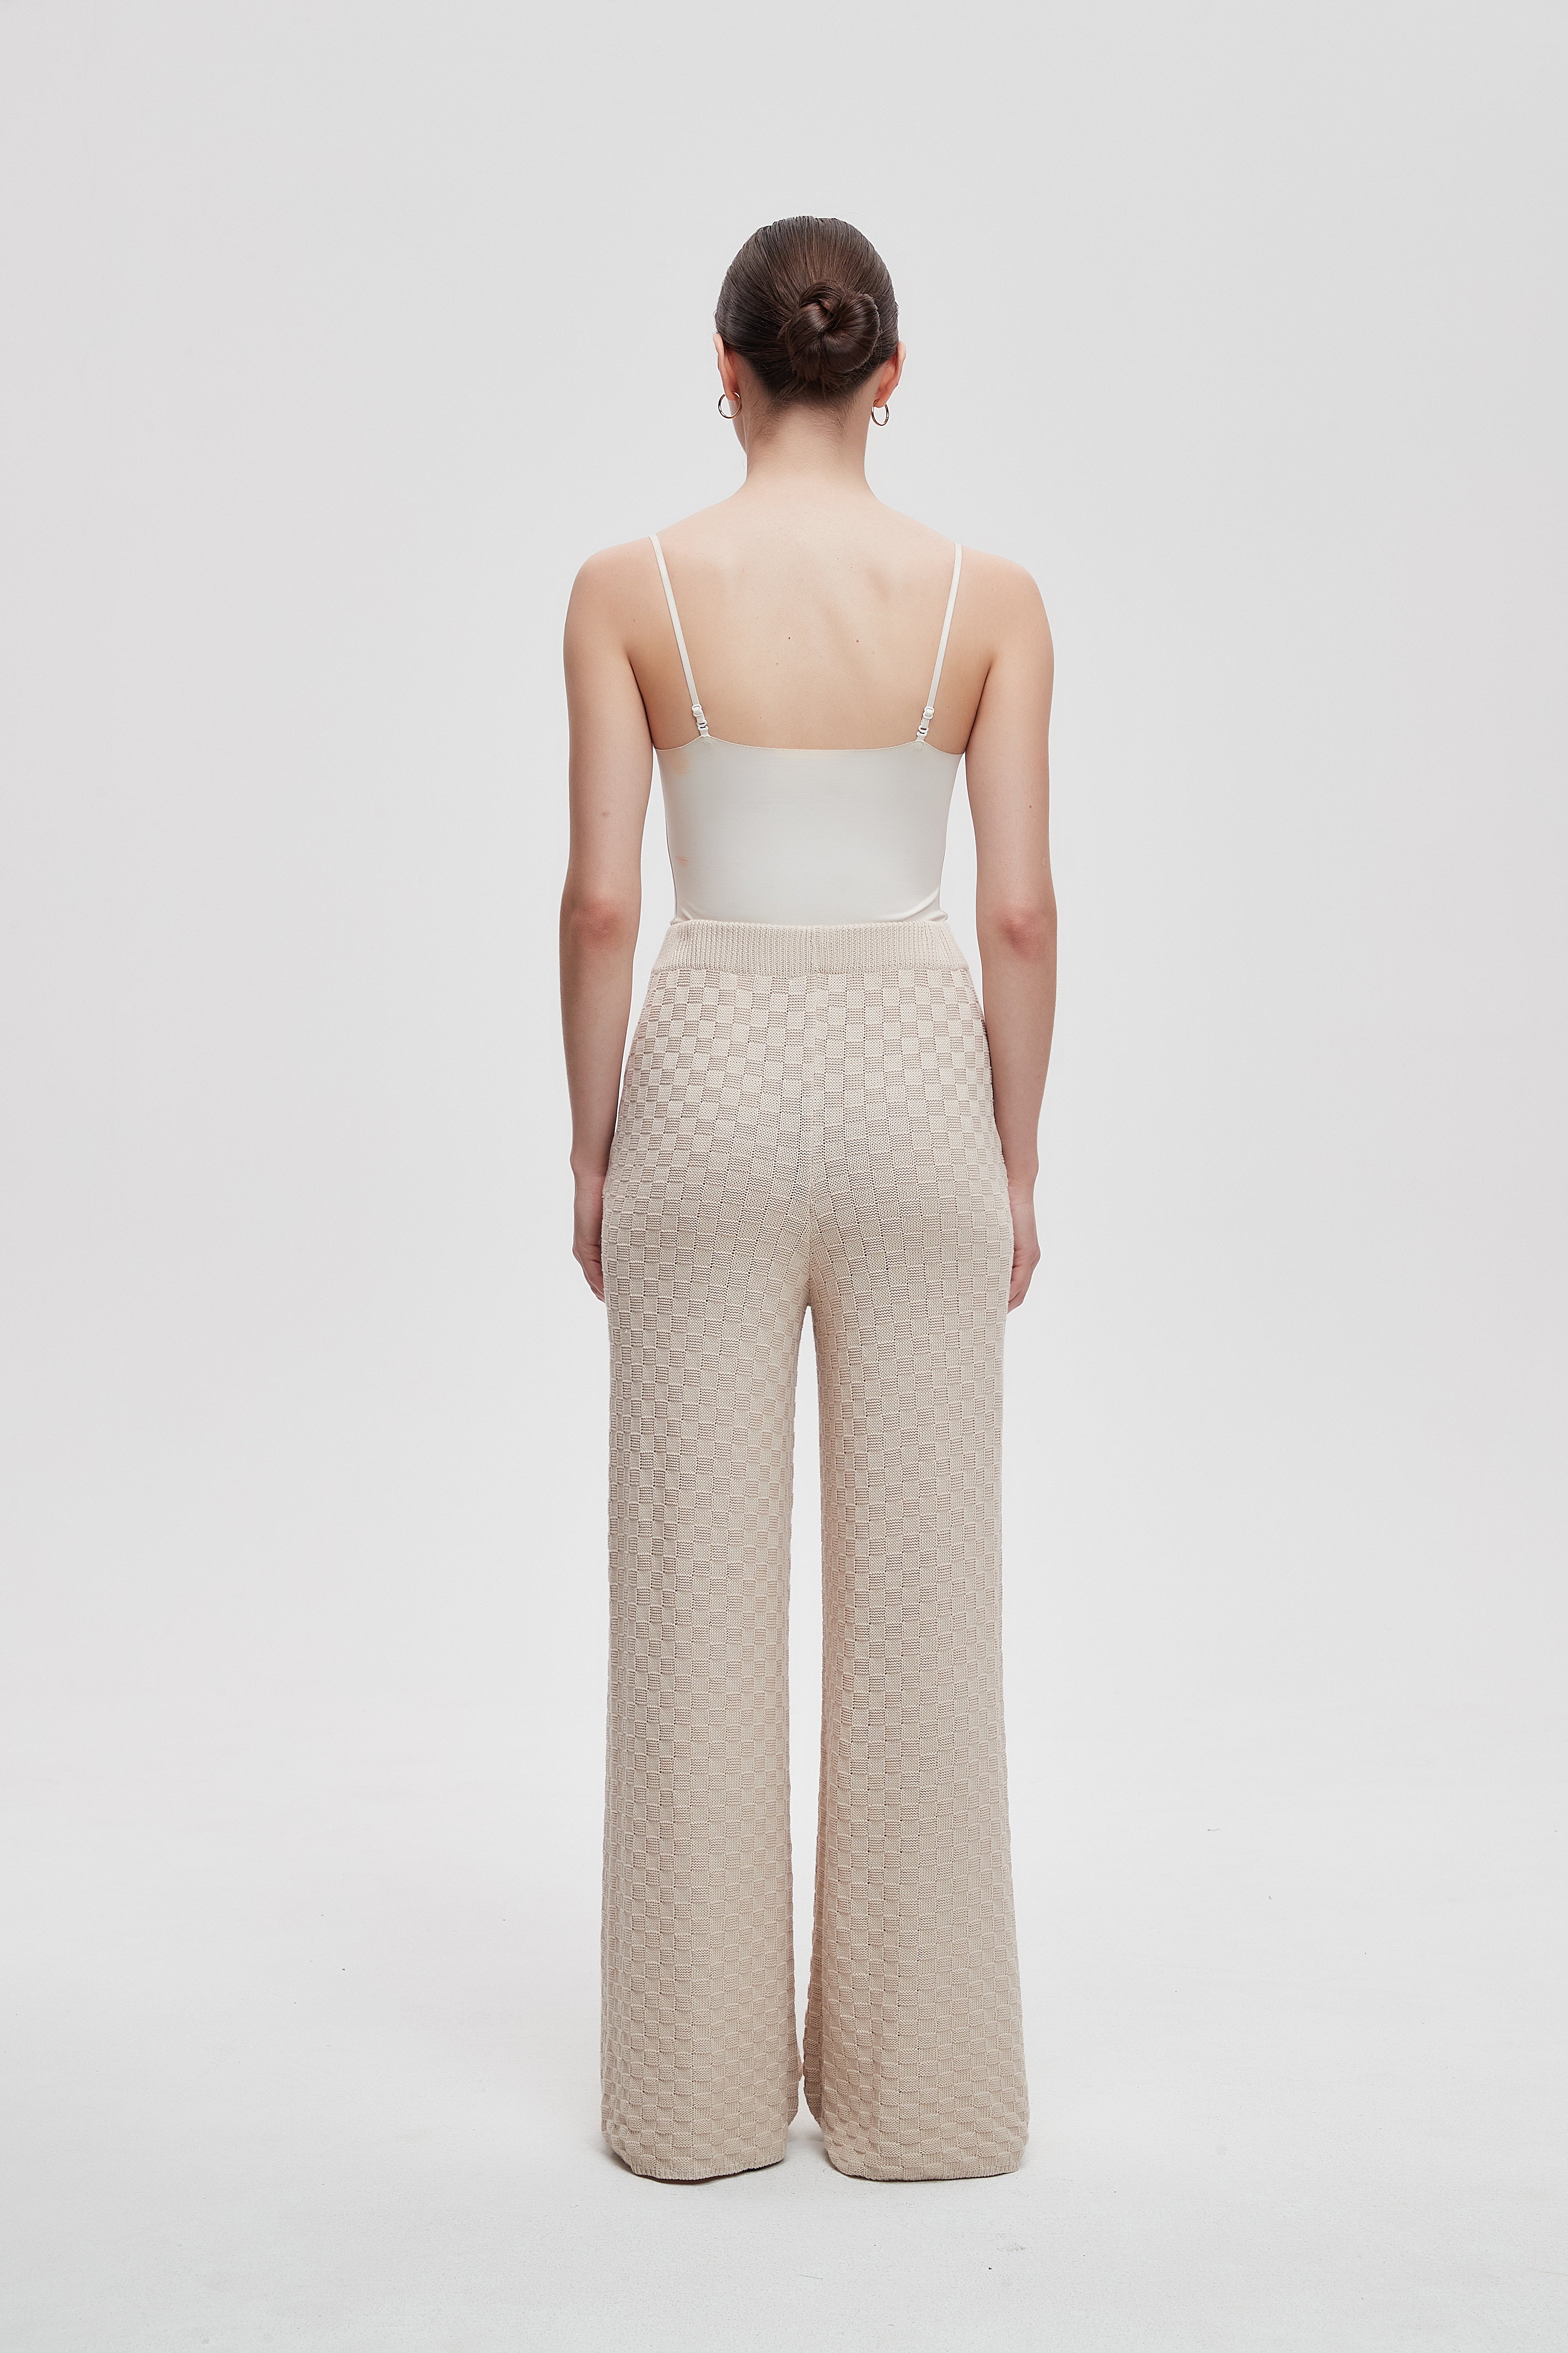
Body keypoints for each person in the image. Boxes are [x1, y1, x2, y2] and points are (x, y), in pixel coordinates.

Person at [559, 216, 1057, 2184]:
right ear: (889, 375)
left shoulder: (626, 590)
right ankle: (924, 2103)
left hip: (703, 1071)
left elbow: (603, 899)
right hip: (920, 1074)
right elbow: (1017, 914)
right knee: (925, 1601)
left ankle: (689, 2104)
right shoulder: (990, 601)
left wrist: (593, 1142)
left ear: (726, 366)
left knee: (689, 1596)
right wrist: (1017, 1153)